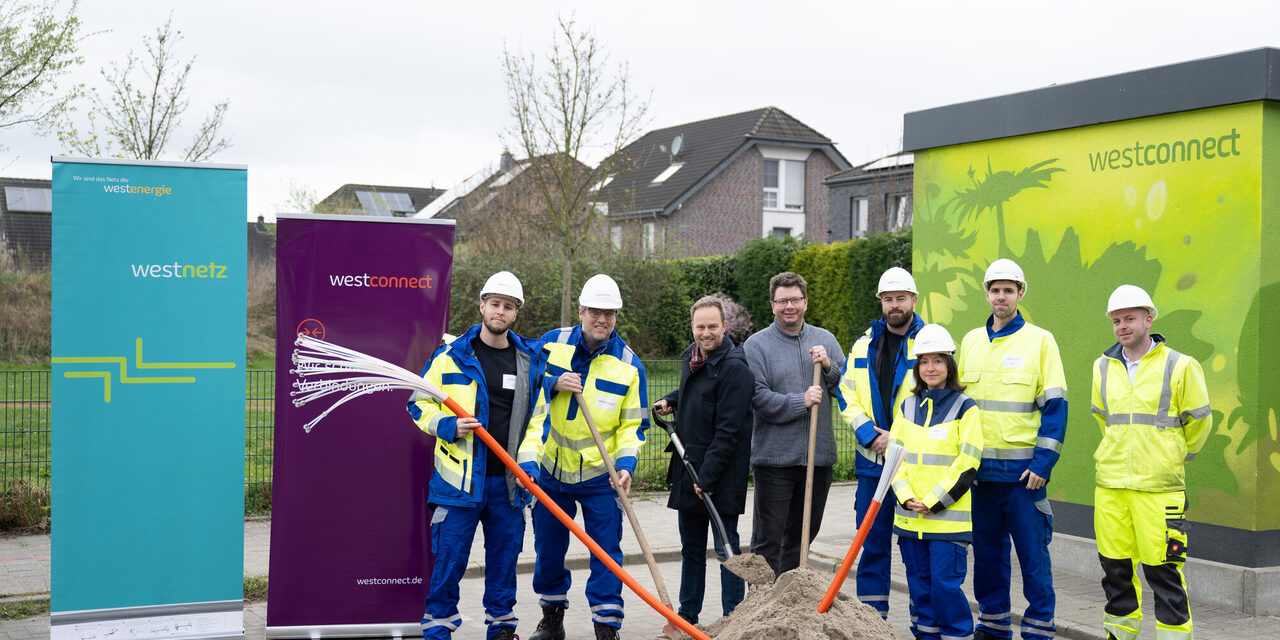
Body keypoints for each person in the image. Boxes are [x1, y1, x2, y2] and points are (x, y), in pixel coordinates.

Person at [406, 271, 541, 640]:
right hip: (458, 486)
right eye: (494, 304)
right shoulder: (449, 357)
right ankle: (438, 632)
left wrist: (528, 466)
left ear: (516, 313)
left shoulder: (528, 362)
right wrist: (449, 426)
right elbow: (418, 405)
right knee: (448, 565)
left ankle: (502, 630)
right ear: (482, 306)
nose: (500, 311)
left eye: (508, 306)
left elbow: (537, 422)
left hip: (508, 486)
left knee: (504, 564)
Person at [524, 274, 648, 640]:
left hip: (600, 475)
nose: (602, 319)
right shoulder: (551, 344)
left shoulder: (629, 365)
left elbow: (633, 427)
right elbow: (525, 384)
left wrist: (625, 466)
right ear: (580, 312)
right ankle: (552, 618)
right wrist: (552, 383)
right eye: (595, 311)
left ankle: (606, 624)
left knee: (607, 552)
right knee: (548, 550)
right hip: (550, 470)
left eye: (609, 313)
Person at [1092, 285, 1210, 640]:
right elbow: (1105, 420)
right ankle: (1119, 636)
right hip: (1111, 488)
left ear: (1149, 319)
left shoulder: (1181, 365)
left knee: (1164, 575)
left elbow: (1199, 423)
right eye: (1116, 320)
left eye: (1129, 318)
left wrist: (1170, 455)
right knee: (1115, 573)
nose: (1122, 326)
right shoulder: (1102, 366)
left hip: (1159, 490)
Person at [957, 258, 1066, 640]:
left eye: (1008, 290)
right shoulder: (971, 341)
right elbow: (960, 408)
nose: (1000, 296)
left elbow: (1055, 407)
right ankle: (993, 626)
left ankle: (1038, 630)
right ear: (986, 294)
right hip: (980, 477)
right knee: (987, 559)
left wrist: (1043, 465)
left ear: (1021, 293)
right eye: (995, 290)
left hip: (1024, 478)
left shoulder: (1040, 341)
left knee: (1034, 560)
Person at [653, 295, 755, 627]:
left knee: (727, 550)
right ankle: (687, 618)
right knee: (691, 549)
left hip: (719, 473)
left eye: (712, 326)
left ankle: (733, 619)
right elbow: (697, 395)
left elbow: (729, 430)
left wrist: (707, 477)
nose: (706, 333)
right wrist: (672, 399)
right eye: (700, 327)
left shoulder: (735, 368)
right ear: (692, 327)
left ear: (724, 326)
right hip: (690, 466)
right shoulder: (693, 358)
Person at [837, 266, 925, 619]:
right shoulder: (863, 345)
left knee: (915, 551)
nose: (894, 305)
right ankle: (872, 622)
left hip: (914, 467)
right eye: (888, 299)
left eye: (901, 298)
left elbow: (940, 401)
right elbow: (846, 394)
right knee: (871, 546)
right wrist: (870, 435)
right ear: (881, 302)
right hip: (872, 466)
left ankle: (924, 624)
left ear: (914, 300)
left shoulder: (929, 344)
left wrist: (898, 439)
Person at [743, 271, 845, 577]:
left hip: (817, 459)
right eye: (782, 301)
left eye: (795, 300)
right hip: (775, 461)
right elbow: (758, 397)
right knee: (768, 541)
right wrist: (802, 401)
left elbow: (845, 387)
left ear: (806, 302)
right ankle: (761, 600)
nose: (790, 306)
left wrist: (828, 366)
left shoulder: (826, 340)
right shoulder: (756, 345)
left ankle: (790, 598)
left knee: (802, 539)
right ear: (772, 305)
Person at [889, 323, 983, 640]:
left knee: (945, 589)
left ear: (949, 365)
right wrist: (906, 497)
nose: (930, 368)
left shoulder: (966, 407)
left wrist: (933, 502)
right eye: (924, 362)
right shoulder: (907, 406)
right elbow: (895, 457)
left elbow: (968, 462)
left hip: (946, 521)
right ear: (917, 368)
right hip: (910, 519)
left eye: (938, 361)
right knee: (920, 590)